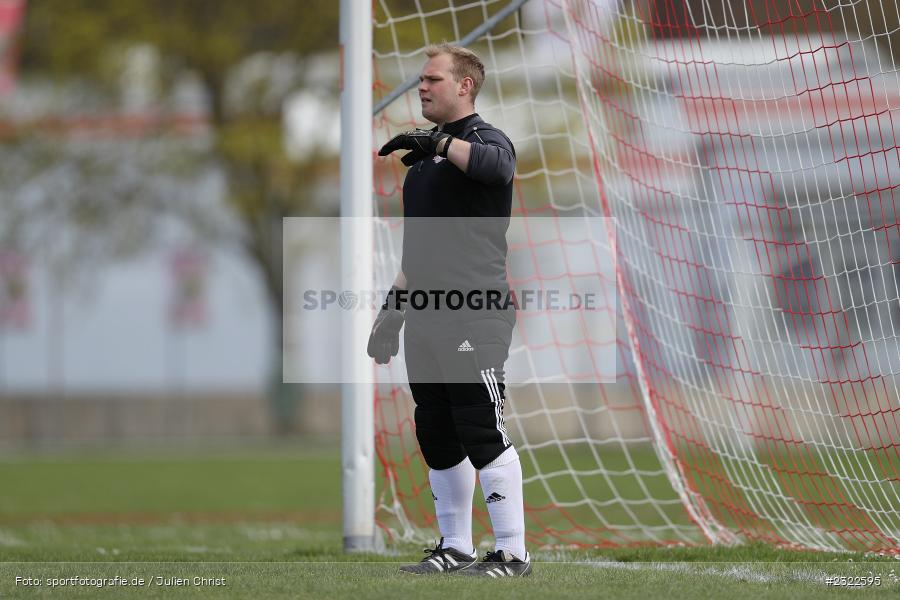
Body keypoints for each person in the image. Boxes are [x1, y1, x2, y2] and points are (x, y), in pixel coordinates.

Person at [369, 43, 530, 578]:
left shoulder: (486, 140)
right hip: (427, 316)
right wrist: (392, 310)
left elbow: (497, 167)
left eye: (433, 79)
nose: (422, 87)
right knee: (435, 432)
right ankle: (456, 546)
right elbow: (418, 252)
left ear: (464, 85)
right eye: (421, 80)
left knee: (480, 427)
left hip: (475, 312)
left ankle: (512, 553)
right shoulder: (420, 169)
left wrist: (441, 141)